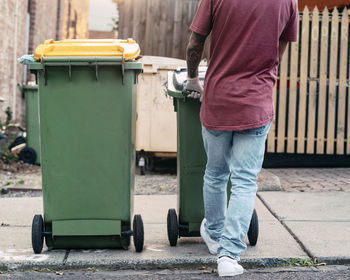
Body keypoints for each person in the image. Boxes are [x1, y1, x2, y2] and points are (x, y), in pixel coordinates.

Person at [184, 0, 298, 277]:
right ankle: (228, 254)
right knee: (245, 180)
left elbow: (194, 44)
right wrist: (261, 72)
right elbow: (280, 47)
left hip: (218, 99)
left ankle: (213, 234)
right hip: (256, 102)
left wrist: (191, 79)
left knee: (215, 173)